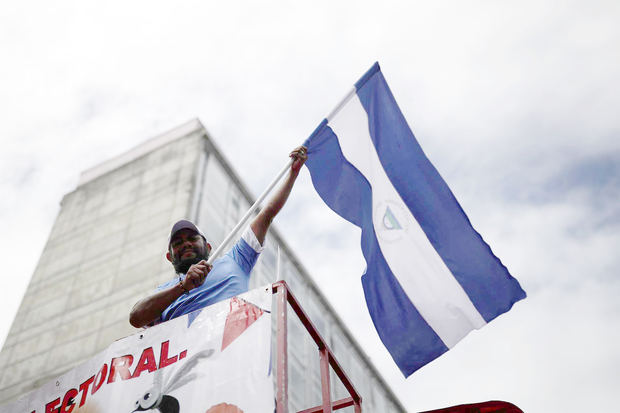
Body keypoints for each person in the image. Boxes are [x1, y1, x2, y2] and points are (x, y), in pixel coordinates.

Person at [129, 146, 307, 328]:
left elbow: (267, 214)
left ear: (208, 247)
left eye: (192, 238)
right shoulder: (164, 292)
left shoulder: (237, 259)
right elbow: (136, 317)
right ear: (169, 256)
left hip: (232, 348)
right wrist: (183, 287)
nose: (186, 244)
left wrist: (292, 173)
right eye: (178, 242)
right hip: (190, 355)